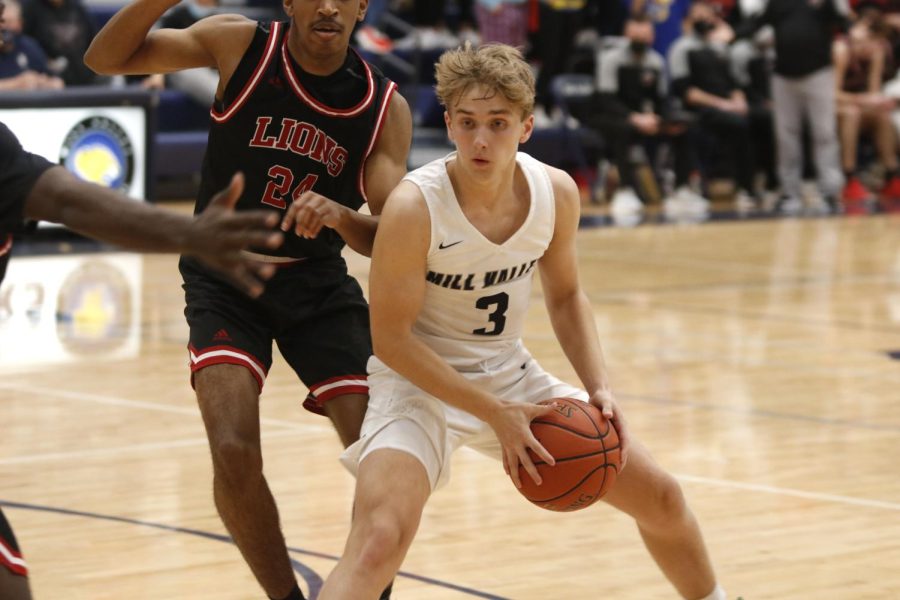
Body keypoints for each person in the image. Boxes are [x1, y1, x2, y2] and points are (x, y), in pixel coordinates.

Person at [317, 43, 725, 600]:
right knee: (376, 543)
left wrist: (599, 387)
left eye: (498, 123)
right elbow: (390, 340)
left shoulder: (555, 192)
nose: (481, 139)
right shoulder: (416, 206)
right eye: (467, 123)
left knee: (663, 498)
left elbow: (566, 296)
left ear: (527, 127)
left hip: (510, 374)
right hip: (418, 385)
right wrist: (493, 413)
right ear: (450, 125)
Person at [84, 1, 412, 598]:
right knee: (233, 450)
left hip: (316, 284)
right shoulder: (240, 44)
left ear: (365, 6)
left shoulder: (383, 108)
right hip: (223, 277)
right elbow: (103, 59)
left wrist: (341, 215)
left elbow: (394, 238)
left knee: (381, 455)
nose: (330, 6)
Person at [738, 0, 849, 215]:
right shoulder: (778, 3)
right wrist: (735, 34)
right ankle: (790, 192)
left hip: (818, 72)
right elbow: (756, 25)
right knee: (786, 135)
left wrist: (827, 6)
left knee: (824, 132)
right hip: (783, 76)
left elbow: (842, 24)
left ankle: (830, 191)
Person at [0, 0, 63, 90]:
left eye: (10, 22)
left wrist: (40, 82)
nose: (5, 27)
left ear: (20, 24)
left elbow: (57, 82)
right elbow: (20, 83)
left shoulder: (29, 46)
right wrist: (16, 83)